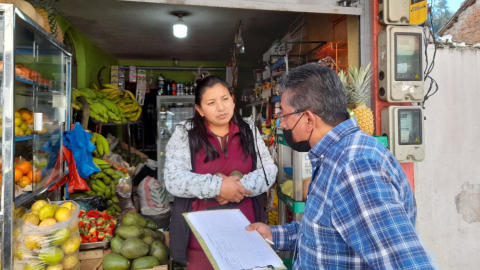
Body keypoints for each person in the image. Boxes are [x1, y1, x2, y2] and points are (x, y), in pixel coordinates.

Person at [246, 63, 436, 269]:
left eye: (283, 115)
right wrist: (275, 234)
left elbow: (408, 263)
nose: (281, 124)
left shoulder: (355, 168)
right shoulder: (335, 156)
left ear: (309, 119)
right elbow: (327, 233)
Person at [164, 72, 277, 270]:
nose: (221, 107)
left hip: (247, 233)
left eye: (225, 99)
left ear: (233, 100)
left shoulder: (249, 129)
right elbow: (173, 179)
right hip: (199, 242)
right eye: (211, 103)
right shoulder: (185, 132)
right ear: (199, 109)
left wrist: (237, 187)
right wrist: (218, 187)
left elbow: (269, 171)